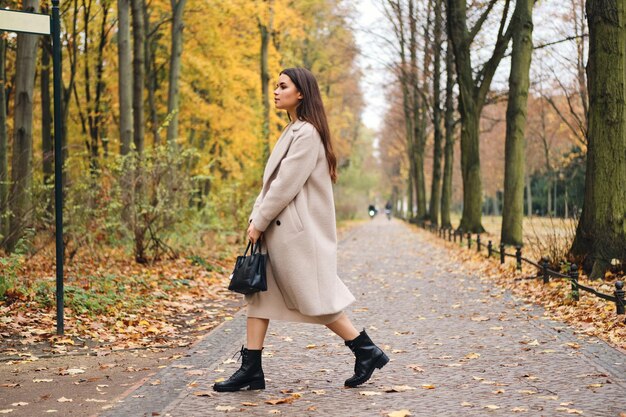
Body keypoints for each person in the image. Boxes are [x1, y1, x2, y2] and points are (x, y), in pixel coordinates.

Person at [213, 68, 388, 392]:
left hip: (296, 236)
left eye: (283, 86)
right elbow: (272, 185)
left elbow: (285, 185)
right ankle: (251, 368)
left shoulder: (306, 133)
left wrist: (260, 221)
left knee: (315, 300)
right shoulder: (293, 130)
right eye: (276, 86)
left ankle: (366, 350)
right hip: (280, 233)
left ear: (301, 93)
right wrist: (257, 219)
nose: (276, 92)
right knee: (258, 297)